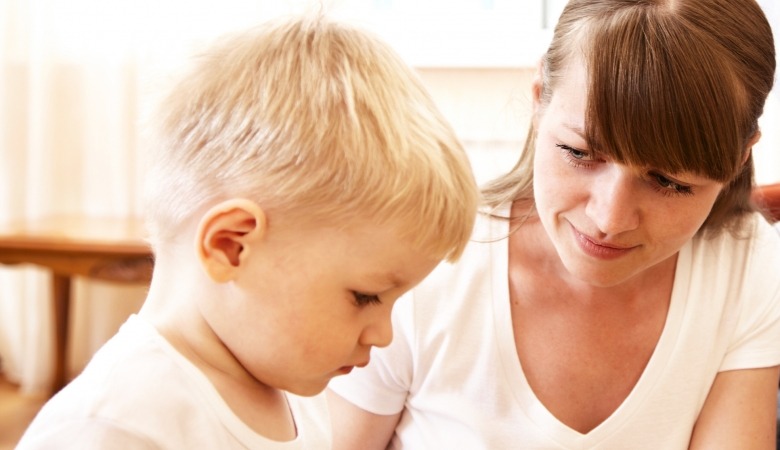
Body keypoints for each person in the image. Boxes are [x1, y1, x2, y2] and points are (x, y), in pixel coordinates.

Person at [327, 0, 780, 448]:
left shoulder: (747, 268)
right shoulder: (425, 263)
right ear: (540, 93)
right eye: (580, 153)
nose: (609, 219)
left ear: (741, 157)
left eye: (669, 182)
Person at [16, 13, 478, 449]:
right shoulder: (110, 427)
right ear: (231, 246)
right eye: (365, 296)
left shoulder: (295, 388)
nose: (383, 336)